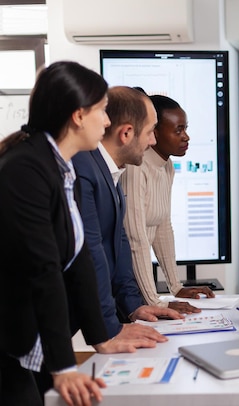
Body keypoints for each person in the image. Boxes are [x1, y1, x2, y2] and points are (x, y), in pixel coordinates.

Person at [0, 61, 149, 406]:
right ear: (78, 115)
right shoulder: (25, 169)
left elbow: (80, 257)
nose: (108, 121)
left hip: (37, 341)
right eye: (101, 111)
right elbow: (43, 269)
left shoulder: (62, 167)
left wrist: (103, 336)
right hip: (13, 344)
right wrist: (65, 364)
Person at [73, 86, 183, 342]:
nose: (152, 142)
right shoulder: (85, 171)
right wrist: (107, 331)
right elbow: (92, 256)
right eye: (149, 133)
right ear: (126, 133)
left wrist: (134, 307)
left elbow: (119, 245)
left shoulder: (110, 173)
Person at [120, 94, 214, 312]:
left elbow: (162, 227)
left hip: (139, 283)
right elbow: (136, 238)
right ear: (154, 132)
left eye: (185, 128)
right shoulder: (135, 168)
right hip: (125, 283)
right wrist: (154, 301)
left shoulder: (167, 166)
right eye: (178, 130)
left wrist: (176, 286)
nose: (186, 137)